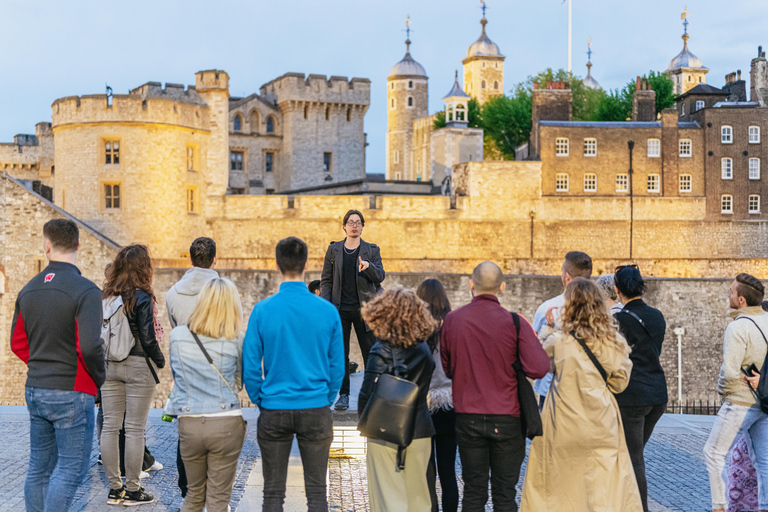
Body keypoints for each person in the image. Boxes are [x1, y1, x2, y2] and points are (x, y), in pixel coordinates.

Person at [521, 277, 643, 511]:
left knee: (558, 488)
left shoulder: (559, 341)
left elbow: (538, 365)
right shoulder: (613, 342)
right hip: (601, 423)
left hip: (563, 424)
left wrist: (549, 326)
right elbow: (619, 384)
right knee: (602, 488)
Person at [244, 237, 344, 512]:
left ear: (276, 265)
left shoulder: (262, 310)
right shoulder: (327, 311)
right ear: (307, 264)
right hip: (315, 406)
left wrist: (260, 397)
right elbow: (338, 365)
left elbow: (250, 364)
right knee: (317, 495)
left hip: (275, 406)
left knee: (273, 495)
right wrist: (326, 396)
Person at [11, 219, 105, 512]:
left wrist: (41, 363)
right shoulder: (86, 290)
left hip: (37, 387)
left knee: (38, 469)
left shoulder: (27, 290)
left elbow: (18, 342)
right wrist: (98, 378)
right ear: (78, 245)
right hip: (73, 389)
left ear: (46, 245)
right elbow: (90, 346)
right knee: (70, 471)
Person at [441, 261, 550, 512]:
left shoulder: (453, 321)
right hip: (508, 417)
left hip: (467, 416)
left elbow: (448, 369)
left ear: (471, 285)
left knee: (473, 492)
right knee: (504, 494)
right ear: (502, 287)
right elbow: (539, 368)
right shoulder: (515, 323)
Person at [167, 278, 245, 512]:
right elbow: (239, 382)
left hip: (190, 422)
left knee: (193, 496)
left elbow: (178, 376)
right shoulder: (237, 338)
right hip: (225, 421)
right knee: (218, 501)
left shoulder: (177, 336)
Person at [358, 287, 437, 512]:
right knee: (418, 500)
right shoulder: (424, 349)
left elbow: (366, 395)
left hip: (385, 432)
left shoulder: (379, 350)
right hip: (420, 430)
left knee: (388, 500)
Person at [101, 244, 165, 506]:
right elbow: (149, 339)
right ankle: (134, 490)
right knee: (135, 429)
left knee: (110, 427)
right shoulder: (142, 296)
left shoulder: (106, 295)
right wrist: (159, 360)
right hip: (138, 364)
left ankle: (115, 490)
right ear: (144, 267)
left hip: (109, 366)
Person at [704, 273, 768, 512]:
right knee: (764, 461)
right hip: (764, 402)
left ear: (741, 300)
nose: (728, 295)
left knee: (713, 452)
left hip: (740, 403)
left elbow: (729, 373)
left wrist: (724, 392)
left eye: (731, 292)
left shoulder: (738, 327)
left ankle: (719, 507)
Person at [165, 236, 219, 497]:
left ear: (190, 259)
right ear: (215, 260)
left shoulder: (173, 293)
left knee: (186, 432)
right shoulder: (225, 290)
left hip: (186, 368)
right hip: (216, 368)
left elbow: (175, 329)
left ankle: (187, 488)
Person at [613, 264, 668, 512]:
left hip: (632, 397)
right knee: (631, 455)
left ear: (617, 290)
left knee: (633, 459)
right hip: (657, 394)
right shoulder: (657, 316)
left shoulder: (618, 320)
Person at [321, 209, 385, 411]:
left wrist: (368, 266)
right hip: (340, 310)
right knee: (341, 354)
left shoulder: (371, 250)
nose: (354, 225)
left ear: (363, 226)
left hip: (364, 310)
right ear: (344, 226)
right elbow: (326, 280)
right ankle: (343, 395)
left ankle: (373, 395)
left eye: (358, 222)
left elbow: (380, 276)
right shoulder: (334, 250)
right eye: (351, 222)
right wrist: (327, 305)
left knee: (371, 353)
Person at [416, 279, 458, 512]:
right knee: (448, 471)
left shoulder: (414, 328)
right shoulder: (452, 326)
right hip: (449, 404)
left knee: (426, 472)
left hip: (422, 406)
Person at [531, 251, 593, 404]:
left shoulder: (548, 308)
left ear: (567, 277)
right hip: (586, 388)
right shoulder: (600, 310)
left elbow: (536, 348)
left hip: (552, 388)